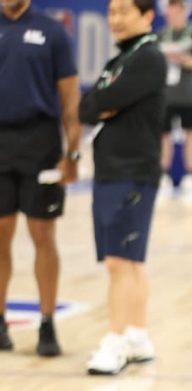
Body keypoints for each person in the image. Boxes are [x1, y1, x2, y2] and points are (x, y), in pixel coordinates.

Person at [78, 0, 166, 375]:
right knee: (130, 260)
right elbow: (87, 107)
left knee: (119, 260)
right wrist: (99, 104)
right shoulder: (120, 59)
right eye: (111, 12)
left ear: (146, 16)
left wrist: (101, 103)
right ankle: (137, 334)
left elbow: (105, 100)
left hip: (132, 169)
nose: (114, 19)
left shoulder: (148, 57)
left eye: (123, 12)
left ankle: (114, 341)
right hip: (113, 170)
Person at [0, 0, 81, 356]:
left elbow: (70, 97)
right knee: (0, 234)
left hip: (40, 141)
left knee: (42, 234)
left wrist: (73, 151)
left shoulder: (52, 31)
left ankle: (47, 323)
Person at [158, 0, 192, 201]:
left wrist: (182, 59)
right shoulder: (162, 34)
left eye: (176, 8)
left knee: (190, 134)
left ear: (183, 10)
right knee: (164, 136)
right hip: (165, 95)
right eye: (169, 9)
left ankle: (191, 176)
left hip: (187, 94)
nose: (172, 12)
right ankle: (163, 175)